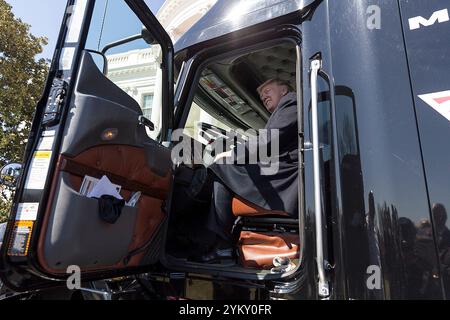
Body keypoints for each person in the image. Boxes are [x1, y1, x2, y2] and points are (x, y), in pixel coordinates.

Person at [196, 78, 299, 263]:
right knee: (226, 167)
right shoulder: (284, 108)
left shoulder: (292, 101)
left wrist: (232, 154)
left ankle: (220, 244)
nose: (263, 97)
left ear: (284, 90)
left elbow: (269, 141)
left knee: (222, 170)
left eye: (268, 90)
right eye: (261, 96)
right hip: (283, 171)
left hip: (287, 175)